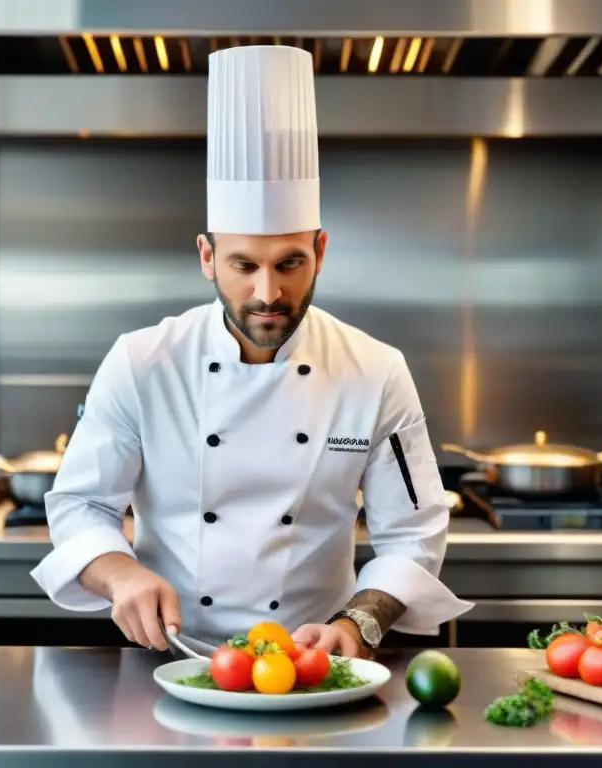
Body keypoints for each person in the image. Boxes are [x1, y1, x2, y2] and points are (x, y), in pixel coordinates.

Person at [30, 45, 473, 659]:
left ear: (320, 249)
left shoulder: (375, 371)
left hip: (315, 663)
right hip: (172, 657)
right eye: (244, 265)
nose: (269, 294)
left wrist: (359, 624)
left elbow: (414, 533)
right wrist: (121, 573)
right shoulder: (142, 363)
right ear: (207, 256)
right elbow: (81, 504)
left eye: (290, 263)